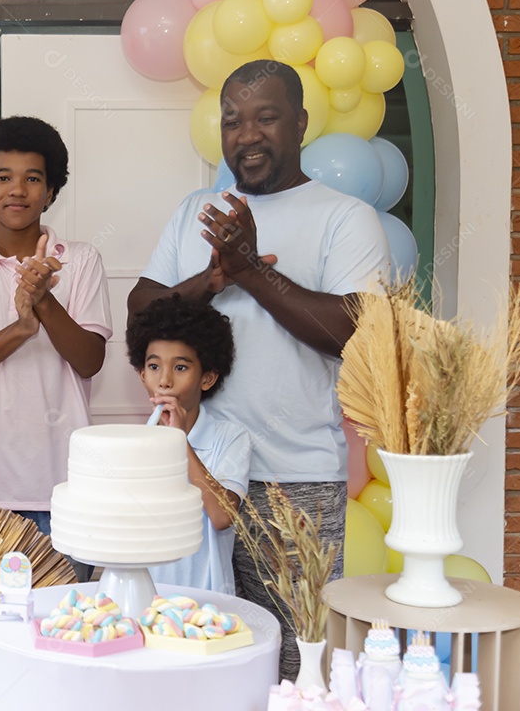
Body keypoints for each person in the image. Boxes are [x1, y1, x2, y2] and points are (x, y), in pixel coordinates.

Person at [127, 60, 390, 676]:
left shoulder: (344, 217)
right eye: (232, 120)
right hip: (194, 477)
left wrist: (251, 269)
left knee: (297, 660)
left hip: (291, 484)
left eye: (265, 118)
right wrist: (213, 278)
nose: (246, 134)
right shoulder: (197, 209)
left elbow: (351, 332)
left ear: (300, 123)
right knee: (193, 657)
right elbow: (142, 313)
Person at [0, 116, 112, 555]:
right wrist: (21, 328)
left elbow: (90, 361)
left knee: (61, 622)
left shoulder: (81, 260)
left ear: (50, 192)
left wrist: (44, 302)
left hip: (65, 490)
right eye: (3, 178)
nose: (18, 189)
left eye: (33, 178)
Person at [125, 295, 250, 595]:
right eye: (154, 367)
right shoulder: (131, 446)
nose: (164, 380)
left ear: (207, 378)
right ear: (142, 376)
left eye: (180, 368)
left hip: (206, 606)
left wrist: (179, 441)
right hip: (143, 599)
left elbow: (222, 518)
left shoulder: (231, 438)